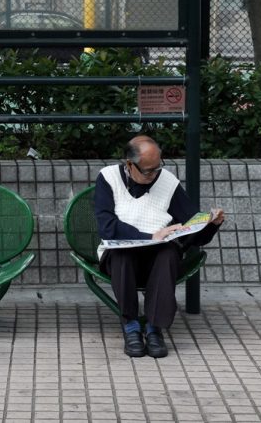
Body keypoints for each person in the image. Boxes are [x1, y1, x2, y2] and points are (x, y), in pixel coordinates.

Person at [94, 135, 225, 358]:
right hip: (119, 254)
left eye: (158, 167)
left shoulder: (167, 181)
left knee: (168, 253)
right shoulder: (108, 178)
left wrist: (211, 224)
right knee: (121, 255)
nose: (154, 174)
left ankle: (155, 328)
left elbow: (192, 229)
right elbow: (108, 227)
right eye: (148, 170)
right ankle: (132, 326)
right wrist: (151, 235)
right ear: (129, 165)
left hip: (156, 256)